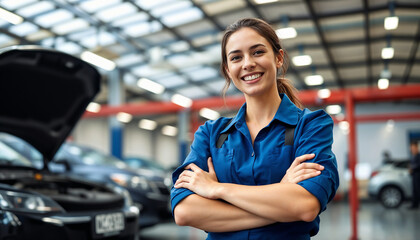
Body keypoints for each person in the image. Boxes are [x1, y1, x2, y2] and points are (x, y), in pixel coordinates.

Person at [170, 18, 339, 239]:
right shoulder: (210, 133)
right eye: (236, 57)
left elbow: (305, 206)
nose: (247, 63)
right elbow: (185, 211)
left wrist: (217, 190)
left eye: (258, 52)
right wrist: (281, 195)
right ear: (228, 70)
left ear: (278, 58)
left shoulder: (310, 126)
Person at [408, 141, 420, 209]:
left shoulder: (418, 156)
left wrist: (412, 168)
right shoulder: (413, 156)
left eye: (413, 148)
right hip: (414, 176)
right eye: (411, 148)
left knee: (418, 190)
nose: (412, 149)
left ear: (416, 148)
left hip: (418, 175)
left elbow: (418, 165)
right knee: (414, 191)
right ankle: (414, 205)